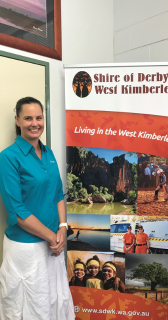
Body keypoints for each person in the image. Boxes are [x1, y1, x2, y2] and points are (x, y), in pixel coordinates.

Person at [0, 97, 75, 320]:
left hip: (53, 246)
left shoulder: (49, 153)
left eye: (39, 117)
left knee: (52, 301)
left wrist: (62, 228)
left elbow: (58, 194)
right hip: (27, 249)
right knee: (28, 306)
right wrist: (54, 237)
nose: (35, 123)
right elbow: (17, 212)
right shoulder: (8, 158)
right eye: (28, 118)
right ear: (18, 120)